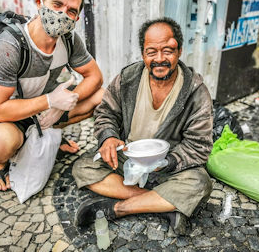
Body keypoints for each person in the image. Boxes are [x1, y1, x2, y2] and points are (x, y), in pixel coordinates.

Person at [72, 17, 213, 235]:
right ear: (143, 54)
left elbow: (199, 146)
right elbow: (106, 112)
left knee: (200, 183)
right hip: (129, 158)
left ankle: (118, 208)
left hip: (168, 166)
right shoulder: (128, 78)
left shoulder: (195, 91)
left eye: (168, 50)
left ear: (180, 51)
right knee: (83, 167)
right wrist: (108, 137)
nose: (160, 59)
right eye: (151, 52)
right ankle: (162, 206)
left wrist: (166, 162)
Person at [0, 0, 104, 191]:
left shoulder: (69, 40)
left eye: (71, 11)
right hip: (6, 113)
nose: (62, 14)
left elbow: (95, 77)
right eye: (57, 5)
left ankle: (50, 130)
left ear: (76, 18)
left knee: (103, 97)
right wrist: (50, 101)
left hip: (41, 110)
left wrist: (65, 103)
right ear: (39, 4)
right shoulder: (10, 45)